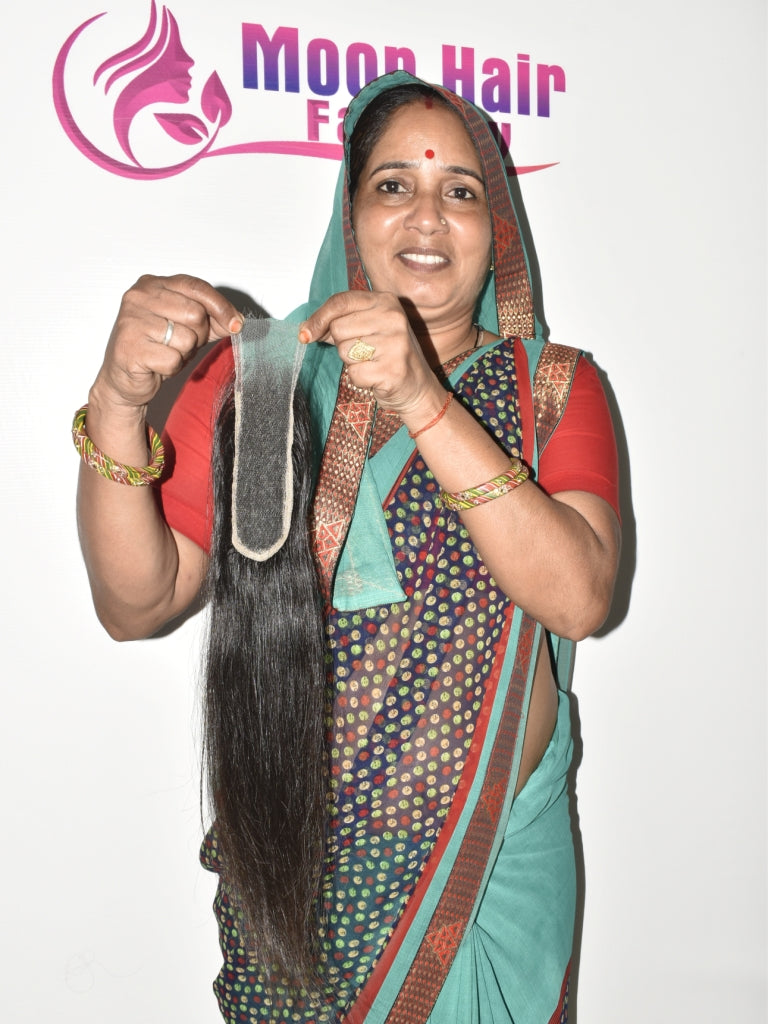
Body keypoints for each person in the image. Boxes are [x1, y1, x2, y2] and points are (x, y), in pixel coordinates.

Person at [74, 71, 620, 1023]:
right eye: (393, 184)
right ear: (350, 211)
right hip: (303, 878)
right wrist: (119, 405)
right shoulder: (267, 383)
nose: (427, 216)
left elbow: (579, 598)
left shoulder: (550, 391)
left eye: (460, 191)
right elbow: (137, 603)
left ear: (496, 232)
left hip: (485, 886)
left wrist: (423, 399)